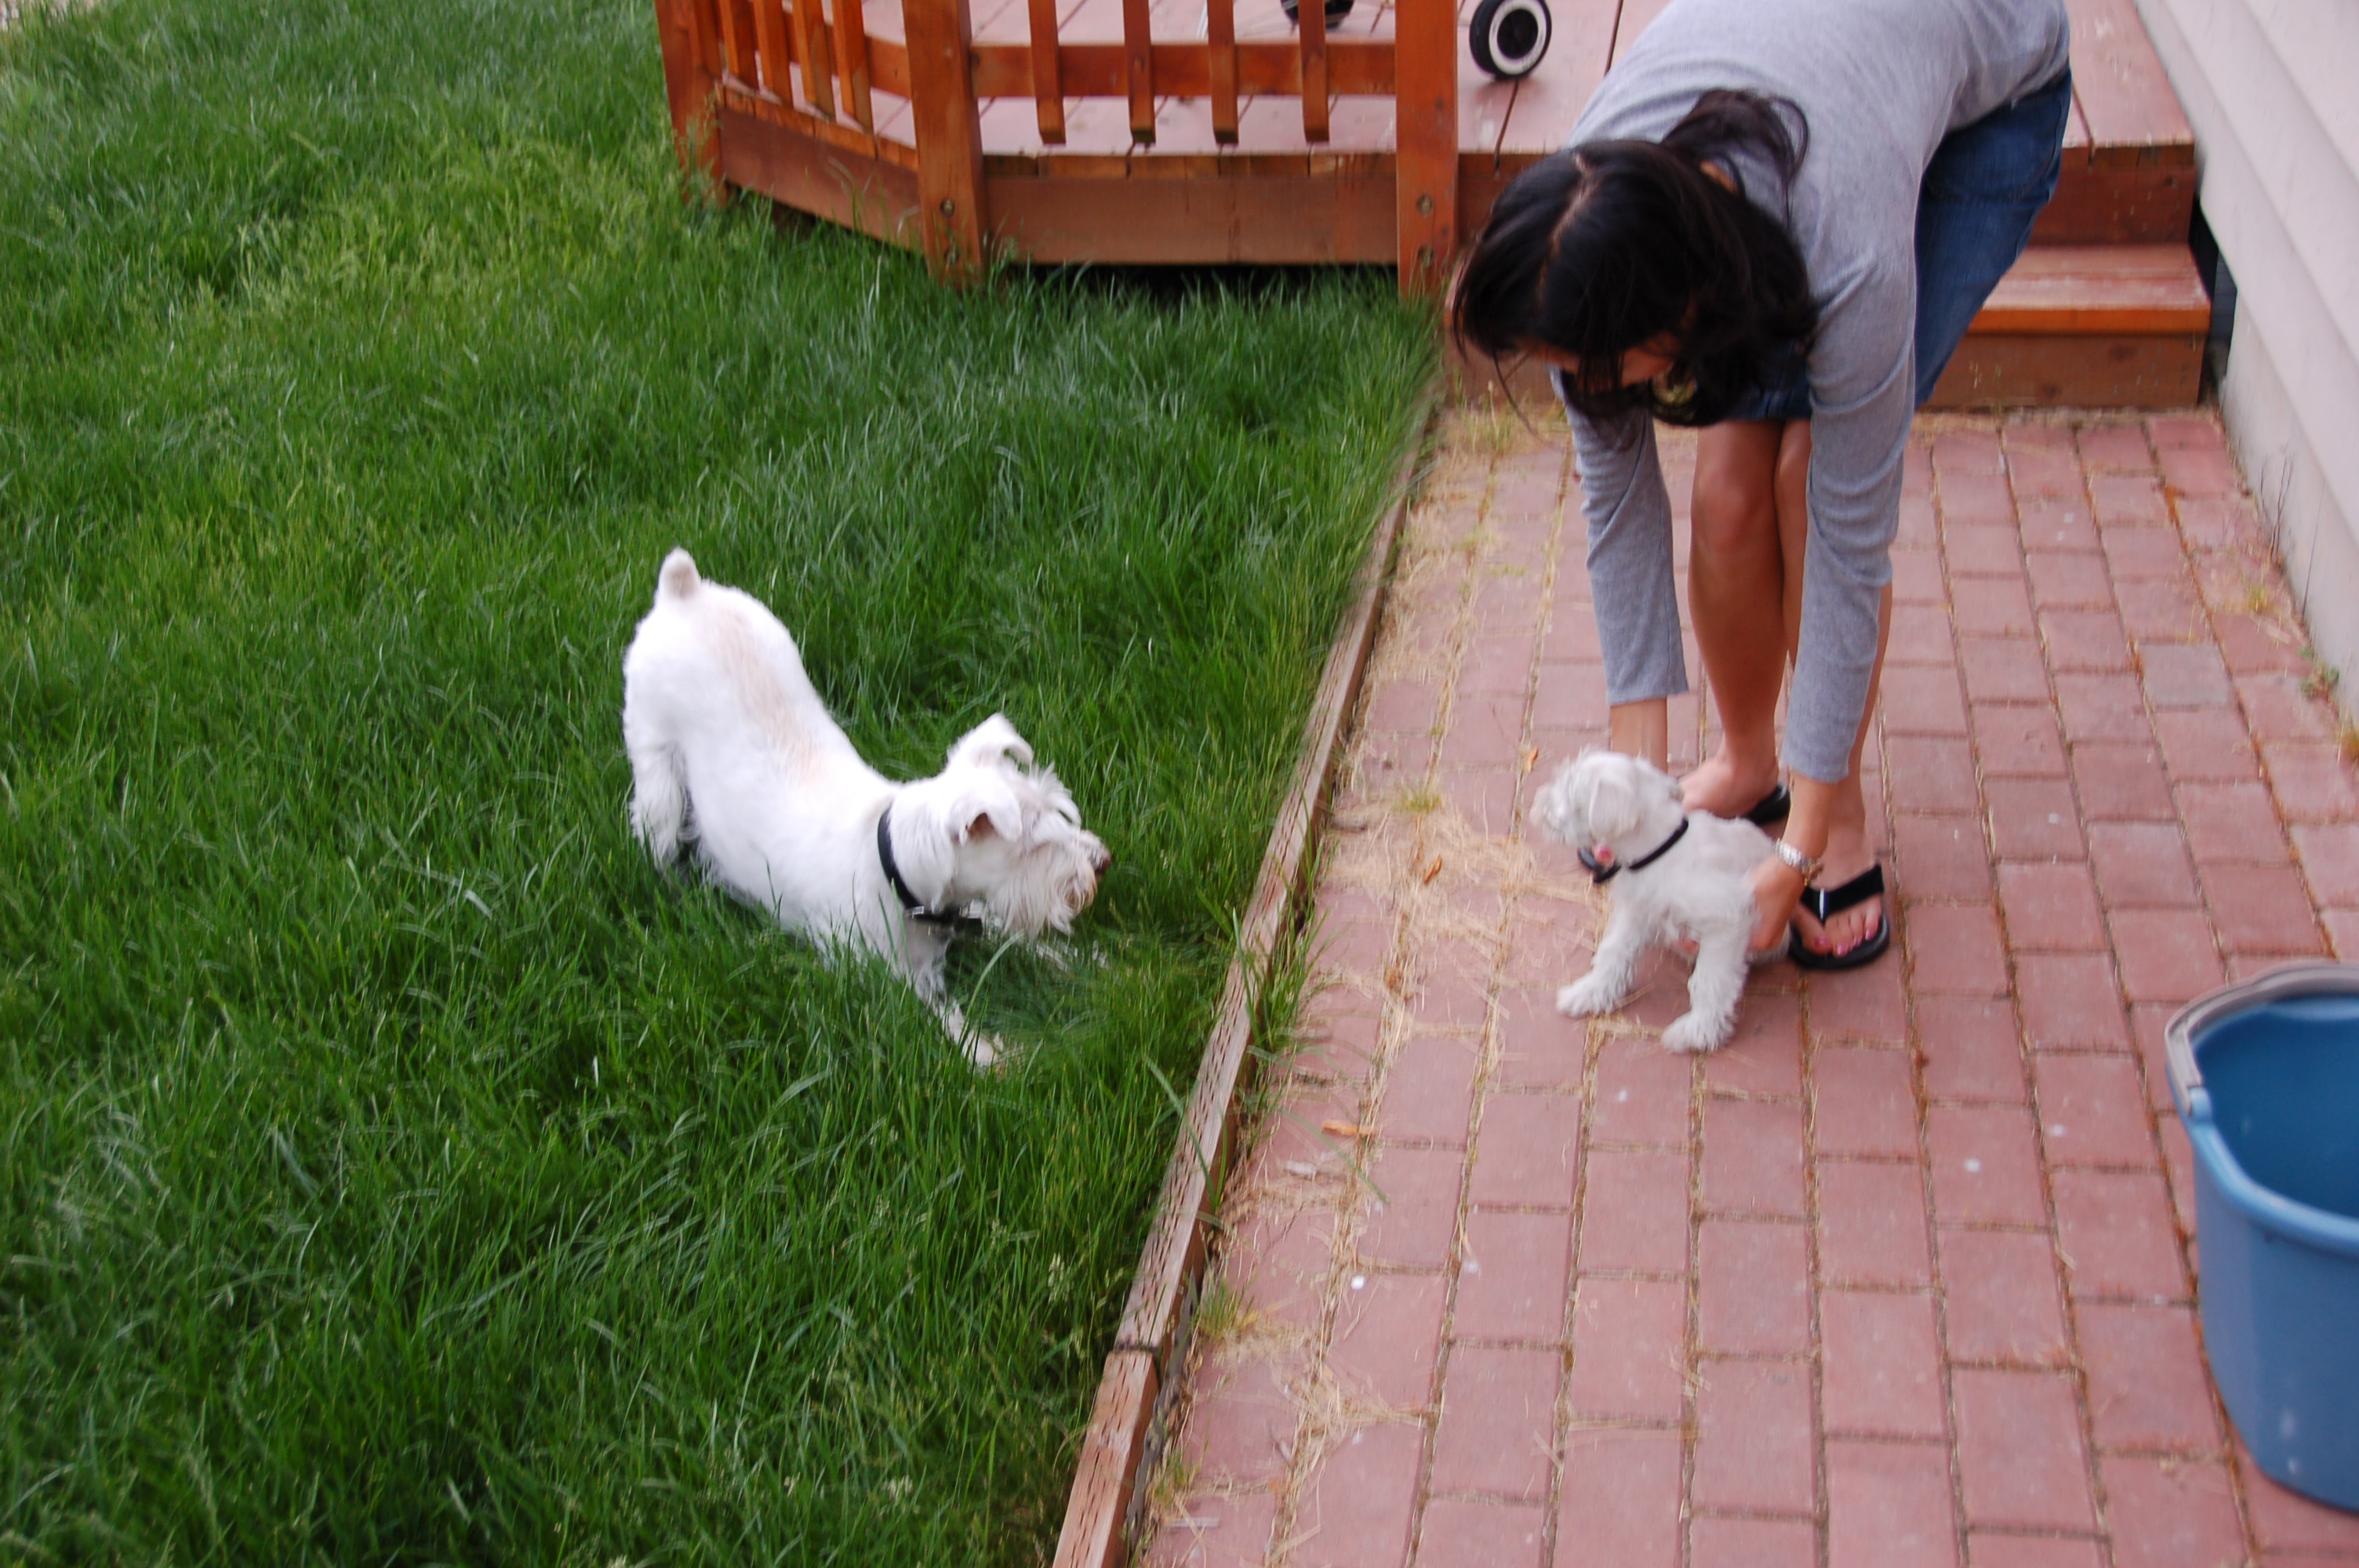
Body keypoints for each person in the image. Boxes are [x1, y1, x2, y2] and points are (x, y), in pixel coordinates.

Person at [1452, 0, 2071, 968]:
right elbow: (1619, 513)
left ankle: (1839, 809)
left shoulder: (1847, 253)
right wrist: (1637, 801)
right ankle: (1746, 761)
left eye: (1588, 365)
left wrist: (1799, 846)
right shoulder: (1579, 234)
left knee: (1807, 476)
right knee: (1729, 496)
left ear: (1680, 311)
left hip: (1987, 102)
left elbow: (1849, 546)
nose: (1577, 385)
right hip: (1813, 91)